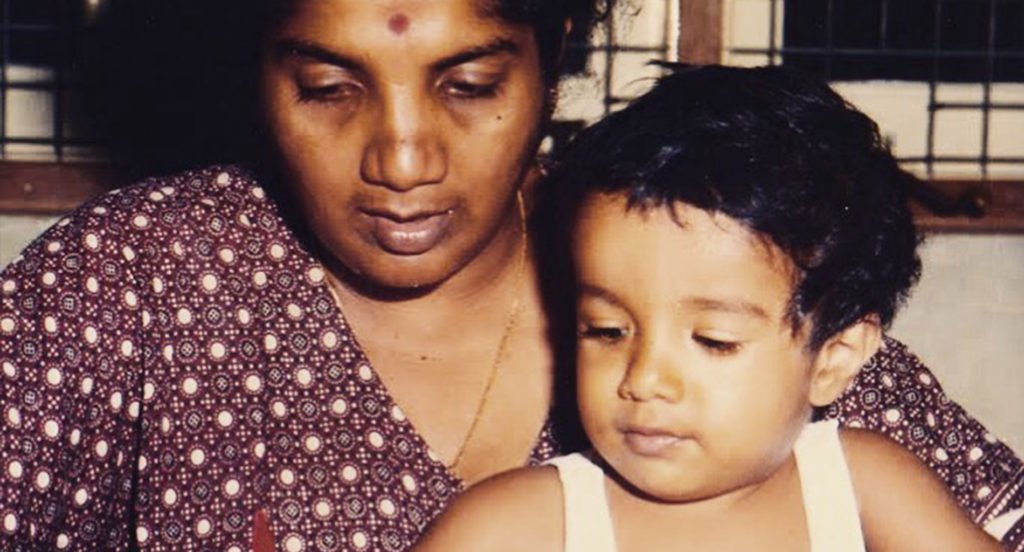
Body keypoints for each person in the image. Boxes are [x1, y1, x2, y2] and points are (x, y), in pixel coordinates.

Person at [0, 1, 1020, 550]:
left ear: (553, 50)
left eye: (470, 83)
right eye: (326, 86)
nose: (402, 159)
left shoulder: (697, 253)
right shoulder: (141, 282)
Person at [414, 65, 1004, 551]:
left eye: (713, 340)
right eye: (607, 330)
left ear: (834, 359)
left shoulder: (862, 485)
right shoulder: (515, 527)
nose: (643, 380)